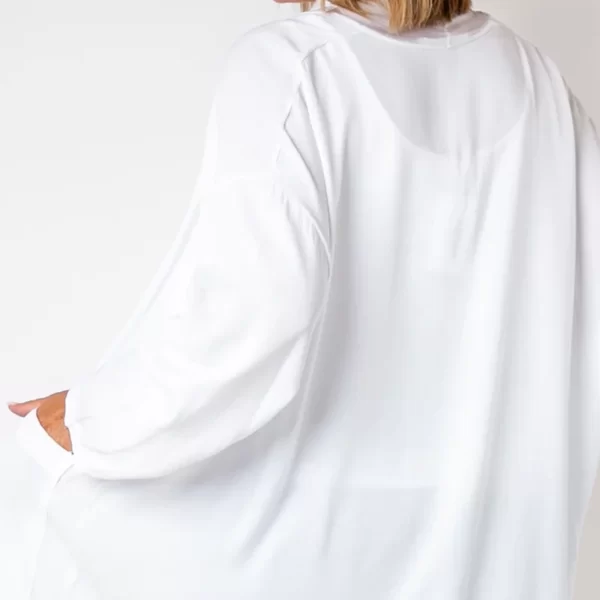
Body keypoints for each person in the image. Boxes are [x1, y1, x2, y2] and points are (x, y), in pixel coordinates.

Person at [2, 1, 599, 598]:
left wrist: (88, 423)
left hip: (306, 563)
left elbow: (246, 318)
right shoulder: (548, 95)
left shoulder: (296, 68)